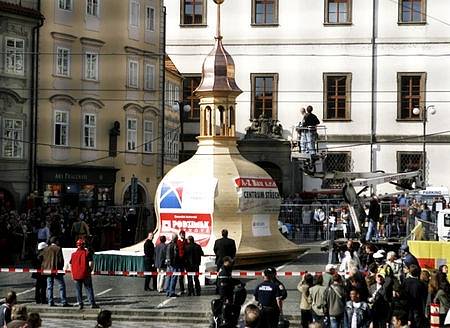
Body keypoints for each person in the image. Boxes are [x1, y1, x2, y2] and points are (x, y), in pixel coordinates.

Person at [41, 236, 69, 307]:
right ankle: (63, 301)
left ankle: (50, 301)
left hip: (48, 270)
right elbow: (61, 260)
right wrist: (61, 268)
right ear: (56, 241)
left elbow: (42, 258)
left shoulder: (46, 249)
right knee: (61, 285)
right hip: (56, 269)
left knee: (49, 286)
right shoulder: (58, 249)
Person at [70, 239, 98, 310]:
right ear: (84, 245)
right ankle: (92, 303)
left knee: (78, 290)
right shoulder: (87, 253)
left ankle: (80, 304)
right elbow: (91, 263)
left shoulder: (73, 254)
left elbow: (71, 264)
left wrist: (72, 273)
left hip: (76, 275)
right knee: (88, 289)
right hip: (86, 274)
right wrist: (90, 270)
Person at [402, 264, 427, 328]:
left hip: (407, 307)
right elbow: (423, 298)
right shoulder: (420, 283)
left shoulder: (405, 281)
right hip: (417, 307)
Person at [165, 233, 181, 297]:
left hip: (168, 263)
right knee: (174, 277)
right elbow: (176, 255)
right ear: (176, 238)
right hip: (174, 263)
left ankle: (167, 291)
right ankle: (172, 291)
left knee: (168, 277)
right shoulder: (175, 245)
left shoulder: (168, 244)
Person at [176, 230, 187, 294]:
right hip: (179, 260)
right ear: (180, 235)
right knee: (180, 275)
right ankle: (181, 289)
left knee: (183, 275)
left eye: (184, 234)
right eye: (182, 234)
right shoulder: (178, 242)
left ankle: (183, 288)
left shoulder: (186, 241)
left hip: (185, 260)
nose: (183, 235)